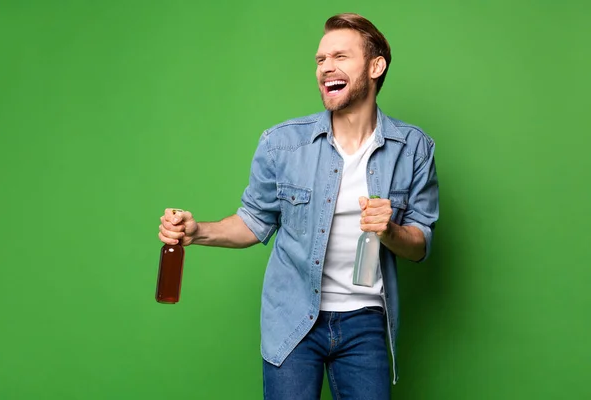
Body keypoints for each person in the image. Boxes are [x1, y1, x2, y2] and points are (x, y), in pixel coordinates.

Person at [158, 12, 439, 400]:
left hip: (366, 324)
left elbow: (421, 243)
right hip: (293, 317)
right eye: (321, 60)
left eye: (340, 57)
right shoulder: (282, 144)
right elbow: (254, 222)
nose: (326, 68)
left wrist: (389, 231)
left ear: (376, 66)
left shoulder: (414, 149)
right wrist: (198, 231)